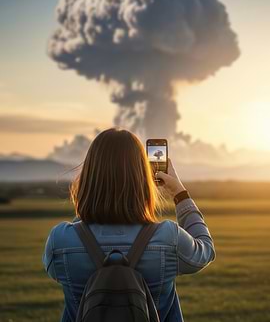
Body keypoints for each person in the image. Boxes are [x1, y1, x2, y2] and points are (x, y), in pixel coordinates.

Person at [42, 127, 216, 322]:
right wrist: (179, 193)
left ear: (88, 177)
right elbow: (206, 250)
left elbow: (58, 267)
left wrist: (91, 205)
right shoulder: (168, 236)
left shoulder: (61, 239)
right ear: (143, 178)